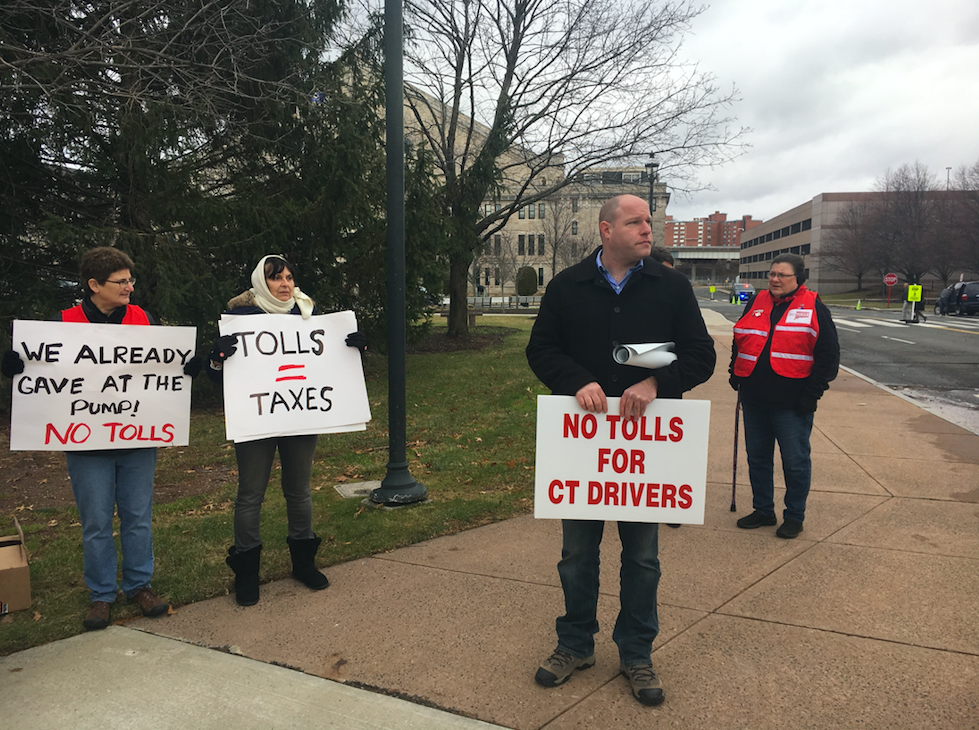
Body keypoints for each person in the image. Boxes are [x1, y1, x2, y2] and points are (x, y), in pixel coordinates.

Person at [526, 194, 716, 706]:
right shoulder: (568, 286)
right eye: (635, 222)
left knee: (644, 559)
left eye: (649, 222)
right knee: (577, 556)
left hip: (645, 452)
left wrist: (658, 382)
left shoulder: (671, 287)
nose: (647, 230)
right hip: (585, 448)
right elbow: (541, 348)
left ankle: (636, 652)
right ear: (606, 230)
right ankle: (575, 644)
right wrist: (577, 380)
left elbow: (702, 355)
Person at [1, 247, 201, 630]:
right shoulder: (64, 323)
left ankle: (140, 585)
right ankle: (102, 594)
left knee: (137, 517)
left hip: (138, 438)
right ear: (94, 285)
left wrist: (185, 367)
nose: (129, 287)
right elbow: (45, 371)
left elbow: (162, 367)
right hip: (86, 442)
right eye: (121, 281)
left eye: (130, 280)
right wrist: (17, 367)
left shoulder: (144, 318)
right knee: (95, 521)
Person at [206, 255, 367, 606]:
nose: (285, 284)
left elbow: (329, 365)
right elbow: (219, 376)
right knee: (250, 494)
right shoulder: (241, 319)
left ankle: (303, 563)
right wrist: (217, 358)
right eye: (276, 278)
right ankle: (247, 573)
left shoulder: (307, 317)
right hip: (257, 419)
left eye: (289, 278)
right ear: (261, 283)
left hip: (299, 417)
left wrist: (356, 349)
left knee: (299, 490)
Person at [729, 253, 839, 540]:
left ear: (798, 279)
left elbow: (828, 356)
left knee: (795, 461)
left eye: (782, 275)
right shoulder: (756, 301)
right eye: (772, 274)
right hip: (754, 399)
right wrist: (735, 372)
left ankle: (794, 516)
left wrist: (812, 394)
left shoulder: (813, 305)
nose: (775, 279)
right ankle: (763, 509)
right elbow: (741, 337)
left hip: (792, 403)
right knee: (758, 459)